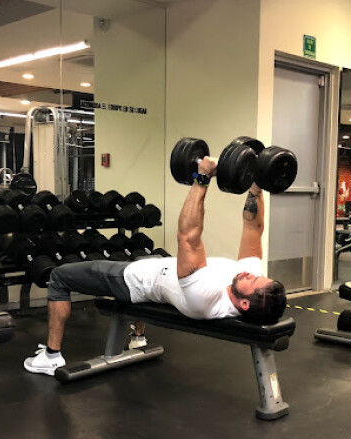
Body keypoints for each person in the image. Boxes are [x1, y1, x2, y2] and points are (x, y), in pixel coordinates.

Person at [24, 157, 288, 376]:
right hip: (157, 270)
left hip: (132, 281)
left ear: (244, 304)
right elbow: (253, 228)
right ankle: (138, 338)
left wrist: (202, 178)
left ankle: (51, 356)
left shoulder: (206, 297)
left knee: (59, 276)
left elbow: (188, 236)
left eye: (253, 281)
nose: (250, 274)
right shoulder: (249, 287)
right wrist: (256, 184)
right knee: (147, 259)